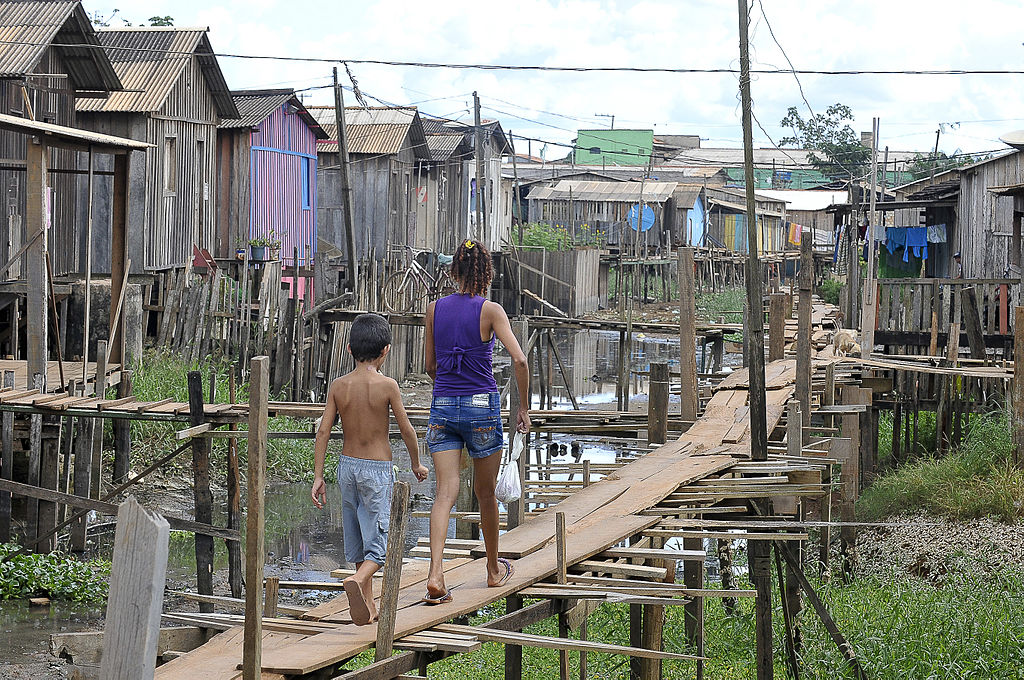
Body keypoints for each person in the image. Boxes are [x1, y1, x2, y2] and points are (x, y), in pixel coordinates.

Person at [422, 239, 531, 604]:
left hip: (443, 407)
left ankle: (436, 574)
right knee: (485, 495)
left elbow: (430, 367)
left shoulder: (433, 309)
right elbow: (520, 361)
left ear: (454, 270)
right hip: (481, 407)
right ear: (486, 273)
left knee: (444, 494)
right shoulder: (491, 310)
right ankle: (492, 571)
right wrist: (523, 408)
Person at [311, 313, 428, 625]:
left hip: (346, 468)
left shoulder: (338, 386)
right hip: (376, 471)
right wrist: (416, 463)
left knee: (359, 541)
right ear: (386, 351)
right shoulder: (387, 386)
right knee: (380, 547)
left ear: (348, 349)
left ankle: (369, 606)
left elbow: (323, 432)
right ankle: (357, 581)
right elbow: (406, 430)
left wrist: (318, 475)